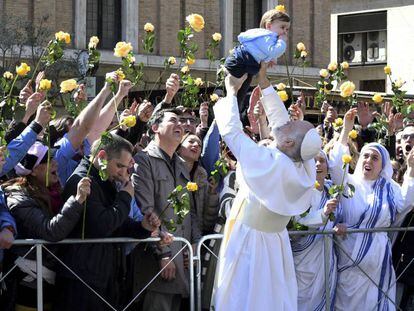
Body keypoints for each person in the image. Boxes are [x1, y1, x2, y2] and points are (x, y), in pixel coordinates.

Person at [212, 65, 322, 311]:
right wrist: (263, 82)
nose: (289, 121)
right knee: (274, 299)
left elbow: (231, 132)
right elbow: (280, 122)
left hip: (250, 240)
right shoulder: (303, 164)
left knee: (244, 298)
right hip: (275, 242)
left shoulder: (272, 163)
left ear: (289, 141)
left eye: (294, 125)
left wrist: (231, 92)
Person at [55, 133, 165, 310]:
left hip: (101, 273)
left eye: (126, 167)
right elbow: (103, 225)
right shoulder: (83, 180)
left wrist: (143, 226)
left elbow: (118, 224)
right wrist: (125, 196)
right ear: (102, 156)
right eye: (119, 166)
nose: (123, 174)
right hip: (81, 277)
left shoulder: (105, 180)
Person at [329, 108, 414, 310]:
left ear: (382, 165)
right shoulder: (348, 184)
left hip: (378, 263)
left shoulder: (390, 188)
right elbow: (334, 165)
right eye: (366, 156)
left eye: (375, 158)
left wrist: (410, 169)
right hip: (348, 260)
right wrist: (346, 130)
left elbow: (407, 203)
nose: (368, 160)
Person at [1, 142, 91, 310]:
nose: (55, 163)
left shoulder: (55, 191)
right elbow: (50, 232)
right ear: (34, 170)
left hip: (51, 280)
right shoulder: (18, 196)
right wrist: (77, 201)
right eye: (48, 160)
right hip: (26, 284)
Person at [132, 108, 202, 311]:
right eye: (173, 121)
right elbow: (146, 211)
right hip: (159, 262)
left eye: (182, 122)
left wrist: (195, 243)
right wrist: (163, 253)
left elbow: (191, 210)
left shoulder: (181, 164)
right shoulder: (143, 160)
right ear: (155, 128)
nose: (180, 125)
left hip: (182, 257)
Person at [291, 150, 340, 310]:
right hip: (303, 256)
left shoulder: (333, 190)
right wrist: (323, 213)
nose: (318, 164)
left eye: (322, 161)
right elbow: (296, 222)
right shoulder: (299, 190)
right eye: (313, 161)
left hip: (325, 255)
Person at [224, 7, 289, 112]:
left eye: (287, 29)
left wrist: (270, 59)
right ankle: (229, 116)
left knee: (238, 98)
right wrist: (282, 42)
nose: (285, 32)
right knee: (234, 97)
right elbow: (273, 51)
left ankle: (234, 115)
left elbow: (262, 52)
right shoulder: (267, 36)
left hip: (245, 64)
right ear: (268, 26)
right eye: (282, 27)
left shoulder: (266, 37)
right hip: (240, 63)